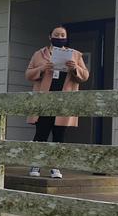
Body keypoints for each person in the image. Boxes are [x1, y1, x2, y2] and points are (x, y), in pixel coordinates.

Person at [25, 25, 89, 179]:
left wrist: (75, 69)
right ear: (50, 36)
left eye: (62, 35)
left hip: (64, 101)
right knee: (41, 132)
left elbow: (85, 75)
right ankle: (36, 164)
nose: (59, 37)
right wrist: (41, 68)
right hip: (44, 100)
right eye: (56, 34)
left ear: (66, 37)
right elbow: (28, 74)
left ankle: (55, 167)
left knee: (59, 134)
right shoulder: (39, 54)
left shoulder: (75, 54)